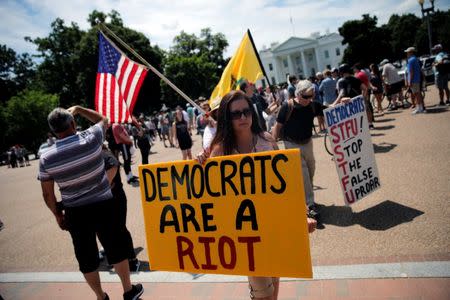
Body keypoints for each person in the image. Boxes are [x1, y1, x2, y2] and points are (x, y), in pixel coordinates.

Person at [199, 90, 316, 300]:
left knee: (274, 287)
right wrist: (202, 162)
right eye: (236, 114)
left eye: (246, 111)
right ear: (227, 117)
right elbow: (211, 195)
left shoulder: (267, 141)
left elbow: (287, 184)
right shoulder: (219, 151)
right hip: (246, 236)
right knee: (264, 295)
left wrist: (302, 215)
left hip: (273, 227)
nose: (243, 117)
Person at [38, 106, 143, 300]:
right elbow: (104, 119)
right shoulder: (91, 138)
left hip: (74, 211)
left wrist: (57, 215)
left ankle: (100, 296)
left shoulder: (46, 157)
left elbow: (47, 194)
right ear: (73, 124)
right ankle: (128, 290)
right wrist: (78, 109)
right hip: (103, 204)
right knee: (116, 249)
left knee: (86, 258)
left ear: (53, 131)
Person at [272, 80, 320, 218]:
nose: (309, 99)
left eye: (312, 96)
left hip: (307, 142)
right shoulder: (287, 106)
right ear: (298, 94)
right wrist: (273, 146)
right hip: (291, 144)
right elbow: (278, 126)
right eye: (306, 97)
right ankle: (310, 205)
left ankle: (306, 195)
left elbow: (329, 109)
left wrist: (343, 102)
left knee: (311, 169)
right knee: (303, 173)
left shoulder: (312, 105)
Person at [102, 146, 140, 273]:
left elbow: (113, 167)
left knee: (120, 229)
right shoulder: (94, 157)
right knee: (109, 231)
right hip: (104, 200)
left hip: (116, 198)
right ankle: (116, 258)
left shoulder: (106, 156)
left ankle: (132, 259)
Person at [353, 63, 374, 128]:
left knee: (365, 109)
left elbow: (361, 86)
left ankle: (368, 124)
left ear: (356, 69)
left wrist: (362, 95)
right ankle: (370, 123)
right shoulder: (363, 74)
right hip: (366, 92)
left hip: (362, 93)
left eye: (354, 68)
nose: (353, 70)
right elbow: (367, 83)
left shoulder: (358, 75)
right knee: (368, 108)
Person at [405, 47, 425, 114]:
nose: (407, 54)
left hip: (413, 80)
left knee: (416, 94)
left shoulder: (410, 60)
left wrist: (409, 81)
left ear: (410, 52)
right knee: (418, 94)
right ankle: (420, 107)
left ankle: (419, 108)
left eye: (407, 52)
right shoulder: (415, 59)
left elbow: (411, 72)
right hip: (417, 79)